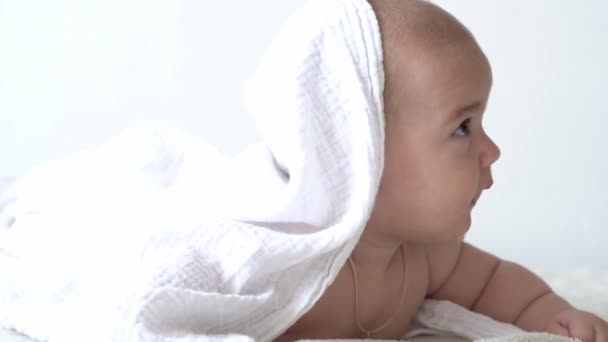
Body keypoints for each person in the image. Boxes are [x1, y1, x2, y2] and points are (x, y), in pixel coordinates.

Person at [277, 0, 608, 341]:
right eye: (463, 127)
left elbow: (495, 283)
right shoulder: (283, 268)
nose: (493, 151)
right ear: (364, 151)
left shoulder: (424, 256)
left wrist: (555, 315)